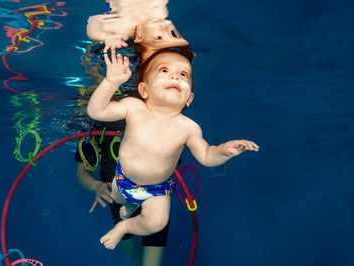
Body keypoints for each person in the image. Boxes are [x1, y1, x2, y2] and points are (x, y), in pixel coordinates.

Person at [87, 48, 260, 250]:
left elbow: (206, 156)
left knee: (156, 223)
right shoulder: (132, 107)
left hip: (157, 189)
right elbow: (96, 111)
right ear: (144, 90)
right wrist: (111, 82)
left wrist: (223, 150)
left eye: (184, 74)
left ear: (189, 99)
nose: (175, 75)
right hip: (124, 178)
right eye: (164, 70)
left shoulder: (188, 127)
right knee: (118, 199)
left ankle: (125, 226)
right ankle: (129, 206)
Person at [75, 121, 169, 265]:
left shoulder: (148, 116)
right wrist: (97, 186)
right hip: (119, 200)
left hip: (153, 197)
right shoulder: (95, 125)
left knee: (151, 263)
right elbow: (81, 173)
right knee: (132, 255)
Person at [86, 0, 188, 62]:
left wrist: (105, 37)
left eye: (159, 37)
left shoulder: (124, 28)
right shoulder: (161, 14)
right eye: (174, 34)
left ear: (139, 37)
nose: (165, 26)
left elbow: (93, 21)